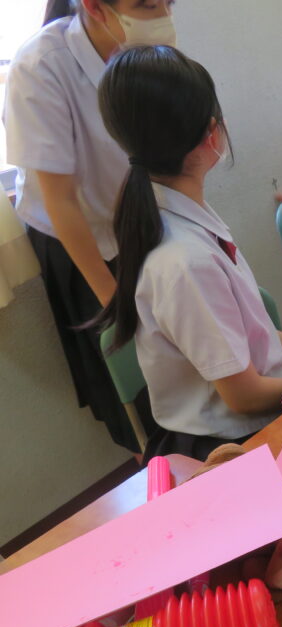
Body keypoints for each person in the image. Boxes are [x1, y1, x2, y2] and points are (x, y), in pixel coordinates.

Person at [93, 45, 282, 462]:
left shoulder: (180, 215)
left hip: (257, 409)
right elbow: (244, 396)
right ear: (212, 134)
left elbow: (236, 326)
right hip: (230, 445)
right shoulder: (184, 261)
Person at [3, 0, 178, 452]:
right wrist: (113, 301)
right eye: (146, 4)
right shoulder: (41, 65)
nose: (162, 14)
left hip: (136, 218)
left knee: (179, 358)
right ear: (95, 7)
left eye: (168, 2)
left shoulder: (142, 51)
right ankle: (159, 465)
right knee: (132, 386)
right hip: (77, 242)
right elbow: (60, 202)